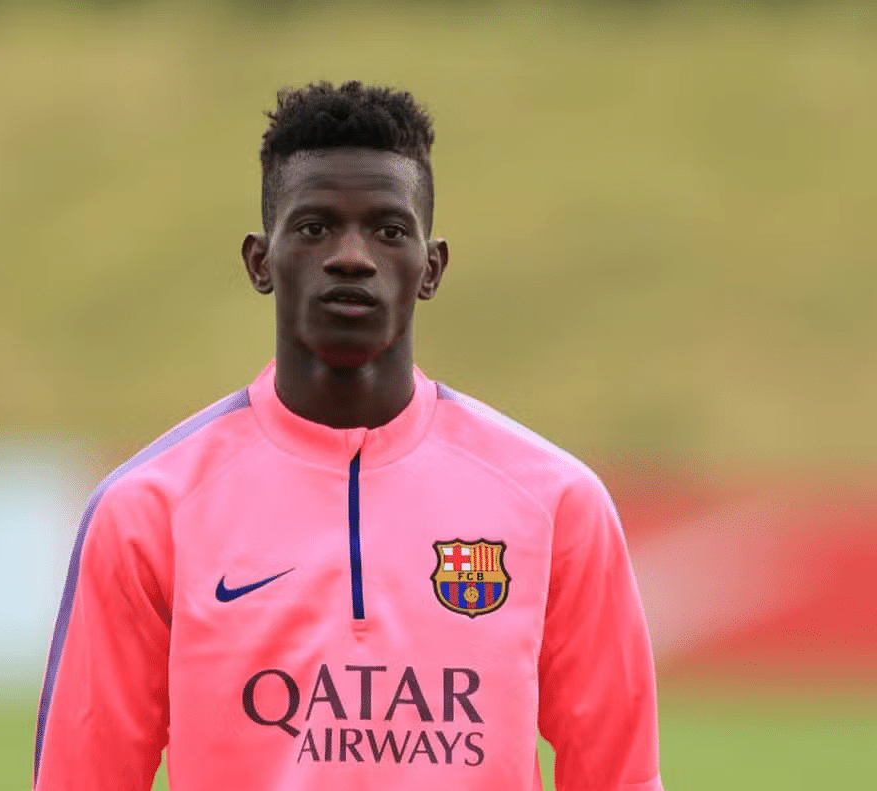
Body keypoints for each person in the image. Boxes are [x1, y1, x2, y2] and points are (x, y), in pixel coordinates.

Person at [33, 81, 663, 791]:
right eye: (314, 227)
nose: (352, 256)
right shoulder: (147, 511)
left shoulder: (557, 504)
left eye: (389, 230)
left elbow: (620, 778)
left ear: (432, 267)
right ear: (259, 261)